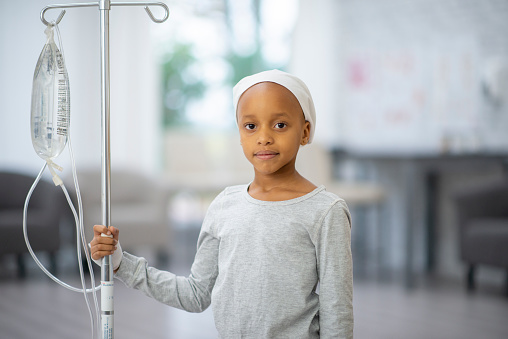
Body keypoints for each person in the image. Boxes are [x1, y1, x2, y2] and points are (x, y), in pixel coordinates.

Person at [90, 69, 353, 338]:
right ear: (240, 133)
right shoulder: (224, 206)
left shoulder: (325, 211)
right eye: (251, 126)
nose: (264, 137)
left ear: (305, 132)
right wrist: (122, 263)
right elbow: (195, 294)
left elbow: (337, 311)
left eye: (280, 125)